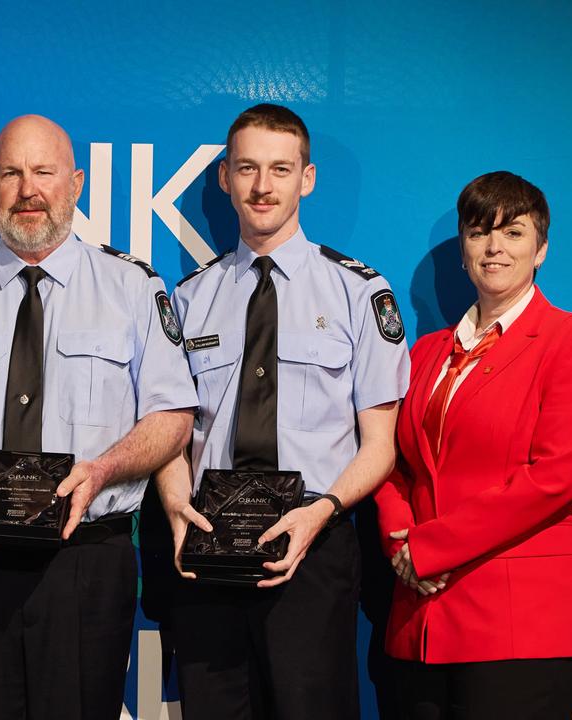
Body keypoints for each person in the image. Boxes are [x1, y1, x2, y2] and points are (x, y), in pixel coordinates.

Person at [0, 114, 197, 719]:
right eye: (10, 173)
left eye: (43, 172)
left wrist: (104, 470)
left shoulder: (133, 287)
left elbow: (172, 414)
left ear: (76, 183)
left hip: (85, 559)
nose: (27, 189)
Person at [150, 103, 409, 719]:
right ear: (225, 180)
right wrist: (174, 505)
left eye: (280, 169)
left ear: (307, 178)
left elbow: (381, 444)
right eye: (247, 169)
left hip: (314, 546)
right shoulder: (189, 299)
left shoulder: (359, 291)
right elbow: (171, 429)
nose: (263, 186)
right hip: (207, 546)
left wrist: (319, 513)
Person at [373, 171, 572, 719]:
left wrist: (430, 550)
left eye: (513, 233)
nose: (494, 247)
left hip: (527, 617)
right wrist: (400, 545)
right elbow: (392, 464)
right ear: (462, 249)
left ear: (541, 250)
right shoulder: (425, 354)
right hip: (424, 610)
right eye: (480, 231)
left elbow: (556, 477)